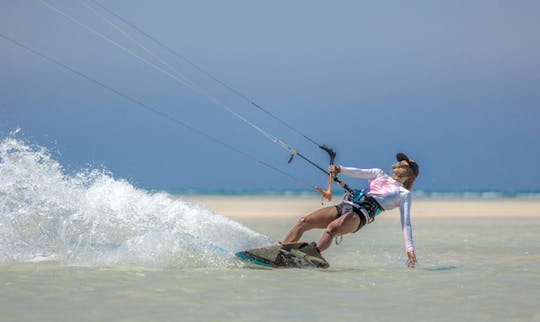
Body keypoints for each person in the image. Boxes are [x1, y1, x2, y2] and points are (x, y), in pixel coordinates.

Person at [282, 153, 419, 268]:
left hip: (360, 214)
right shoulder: (379, 174)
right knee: (304, 221)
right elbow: (359, 172)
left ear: (410, 174)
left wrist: (409, 249)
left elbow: (405, 223)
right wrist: (339, 169)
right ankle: (281, 252)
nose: (399, 163)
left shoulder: (403, 194)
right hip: (346, 205)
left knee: (332, 229)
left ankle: (313, 253)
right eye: (399, 162)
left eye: (403, 164)